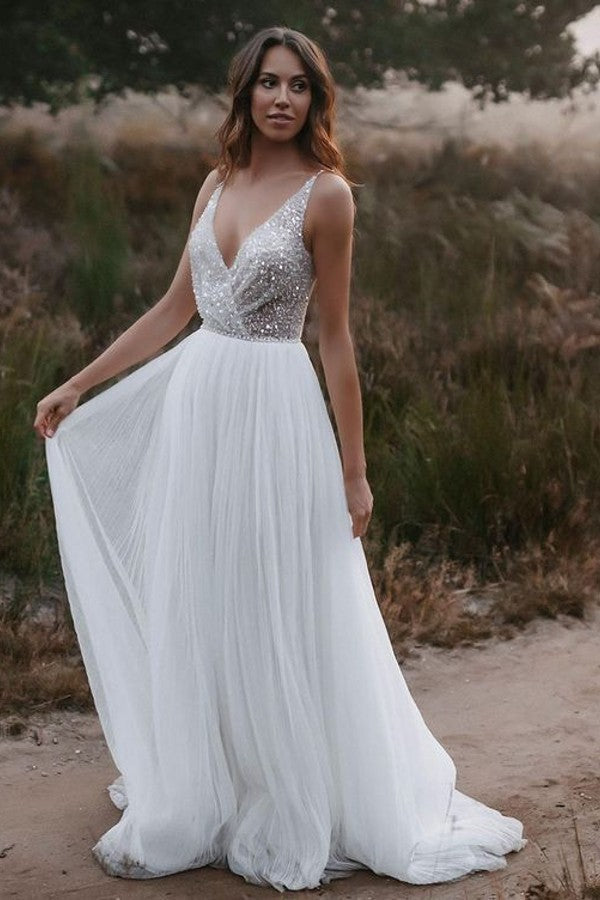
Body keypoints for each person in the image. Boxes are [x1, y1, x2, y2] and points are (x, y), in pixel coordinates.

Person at [34, 25, 526, 893]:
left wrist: (355, 468)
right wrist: (78, 383)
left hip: (274, 414)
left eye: (299, 86)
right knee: (206, 590)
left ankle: (296, 790)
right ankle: (214, 783)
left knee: (278, 593)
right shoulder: (214, 183)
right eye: (267, 83)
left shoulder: (327, 196)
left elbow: (335, 341)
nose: (281, 99)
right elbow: (171, 311)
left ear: (315, 100)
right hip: (200, 408)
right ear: (245, 92)